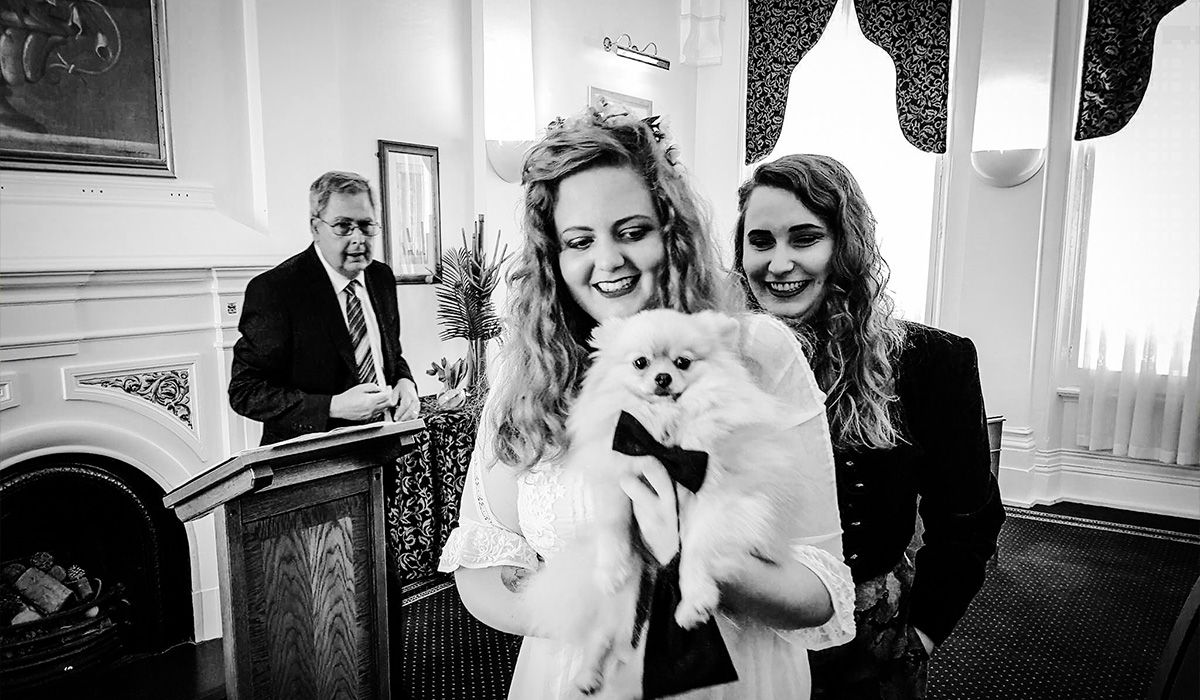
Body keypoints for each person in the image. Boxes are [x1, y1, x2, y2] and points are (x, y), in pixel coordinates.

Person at [437, 111, 855, 699]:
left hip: (732, 679)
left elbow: (820, 594)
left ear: (672, 232)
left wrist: (693, 556)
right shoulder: (526, 371)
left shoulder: (755, 351)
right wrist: (600, 620)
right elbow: (481, 566)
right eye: (579, 240)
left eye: (632, 231)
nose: (608, 260)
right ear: (554, 256)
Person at [731, 153, 1005, 699]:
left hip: (862, 643)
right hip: (740, 626)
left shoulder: (929, 360)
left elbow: (968, 520)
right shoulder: (713, 356)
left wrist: (921, 635)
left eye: (804, 238)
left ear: (846, 245)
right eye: (760, 241)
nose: (779, 263)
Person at [229, 170, 420, 445]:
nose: (358, 239)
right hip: (311, 464)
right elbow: (246, 392)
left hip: (381, 452)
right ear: (315, 227)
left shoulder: (381, 278)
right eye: (343, 226)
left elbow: (390, 355)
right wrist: (333, 406)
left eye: (366, 225)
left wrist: (405, 382)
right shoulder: (276, 290)